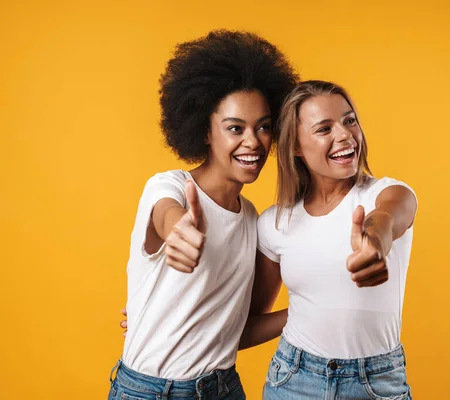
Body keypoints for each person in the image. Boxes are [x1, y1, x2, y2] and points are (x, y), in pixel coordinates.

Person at [108, 29, 298, 400]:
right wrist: (179, 232)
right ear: (205, 132)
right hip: (149, 391)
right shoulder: (170, 187)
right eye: (234, 128)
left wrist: (306, 311)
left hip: (223, 387)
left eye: (262, 127)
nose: (253, 141)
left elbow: (237, 330)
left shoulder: (251, 221)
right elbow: (167, 215)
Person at [253, 80, 418, 399]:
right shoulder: (274, 223)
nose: (344, 134)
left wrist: (375, 242)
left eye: (349, 120)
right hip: (292, 379)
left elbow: (387, 217)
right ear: (296, 146)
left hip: (376, 384)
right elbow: (247, 326)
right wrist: (162, 317)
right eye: (323, 128)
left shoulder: (386, 194)